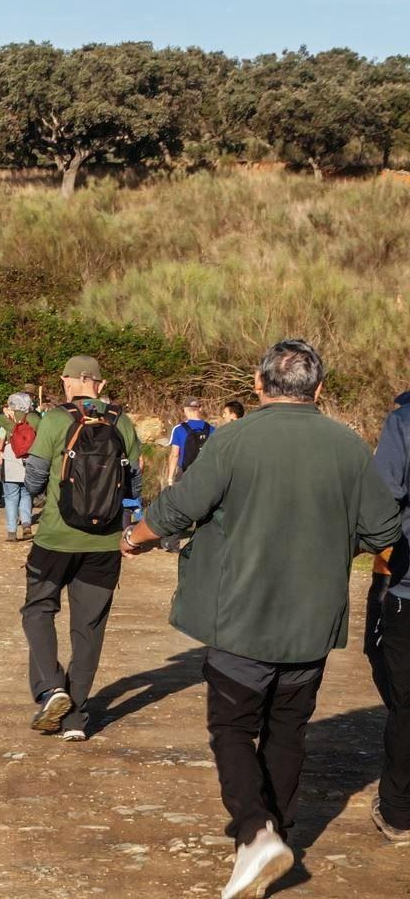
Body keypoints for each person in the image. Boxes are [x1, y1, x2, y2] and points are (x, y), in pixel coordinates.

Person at [122, 341, 399, 896]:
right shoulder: (348, 446)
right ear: (318, 389)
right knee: (288, 731)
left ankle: (255, 835)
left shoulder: (234, 440)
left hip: (240, 618)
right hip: (312, 622)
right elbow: (383, 532)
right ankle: (279, 833)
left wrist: (136, 538)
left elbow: (178, 508)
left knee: (231, 729)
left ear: (258, 383)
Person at [20, 355, 142, 744]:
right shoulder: (122, 422)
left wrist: (42, 492)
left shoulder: (56, 419)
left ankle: (51, 688)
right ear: (100, 385)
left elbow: (36, 480)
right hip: (104, 544)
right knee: (88, 628)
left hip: (55, 538)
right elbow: (134, 488)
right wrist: (127, 531)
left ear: (68, 382)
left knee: (38, 610)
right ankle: (75, 717)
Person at [371, 389, 410, 840]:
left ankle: (399, 811)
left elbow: (383, 497)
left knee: (406, 702)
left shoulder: (403, 423)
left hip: (406, 583)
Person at [0, 392, 38, 542]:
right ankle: (27, 523)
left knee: (10, 497)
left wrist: (6, 411)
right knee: (27, 494)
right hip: (28, 457)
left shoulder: (6, 418)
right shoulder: (33, 418)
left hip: (11, 457)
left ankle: (11, 531)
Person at [168, 398, 216, 486]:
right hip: (205, 474)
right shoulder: (211, 429)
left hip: (185, 473)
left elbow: (174, 455)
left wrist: (170, 478)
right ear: (200, 409)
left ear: (185, 410)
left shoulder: (179, 429)